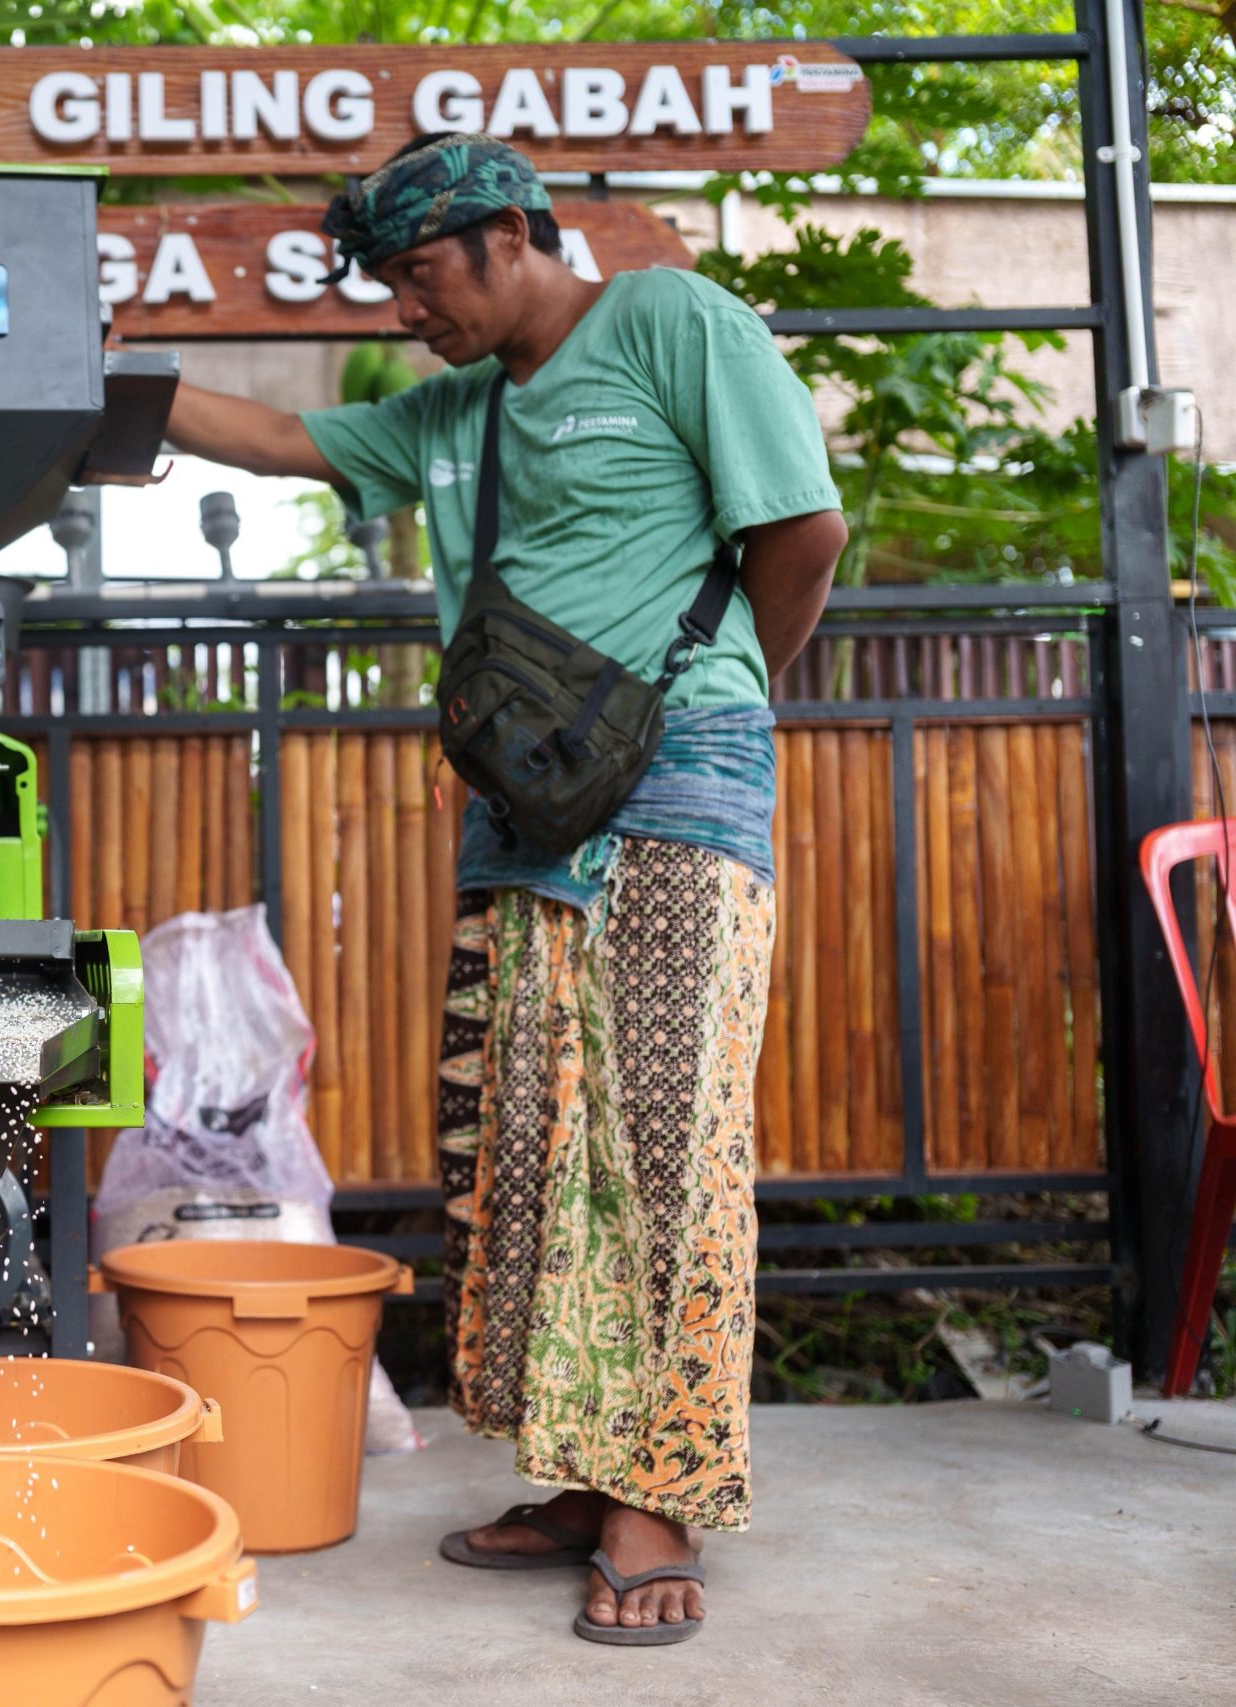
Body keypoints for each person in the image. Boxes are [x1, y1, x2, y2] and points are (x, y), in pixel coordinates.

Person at [164, 133, 846, 1647]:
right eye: (394, 282)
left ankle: (658, 1492)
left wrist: (724, 690)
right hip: (523, 810)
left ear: (514, 235)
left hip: (680, 783)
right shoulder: (463, 409)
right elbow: (287, 447)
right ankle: (573, 1474)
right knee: (523, 1147)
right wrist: (92, 383)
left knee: (663, 1136)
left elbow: (802, 531)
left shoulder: (673, 321)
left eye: (422, 275)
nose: (410, 308)